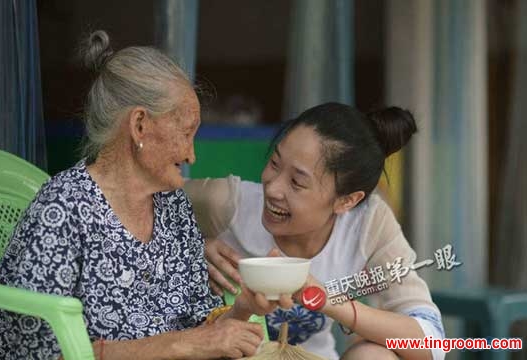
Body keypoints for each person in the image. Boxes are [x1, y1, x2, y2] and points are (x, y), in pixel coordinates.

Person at [0, 30, 292, 360]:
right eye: (186, 133)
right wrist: (182, 344)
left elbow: (204, 332)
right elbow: (41, 354)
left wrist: (244, 306)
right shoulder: (62, 210)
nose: (191, 155)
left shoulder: (172, 206)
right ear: (140, 125)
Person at [185, 103, 445, 360]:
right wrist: (190, 244)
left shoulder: (368, 224)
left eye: (297, 182)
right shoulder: (225, 204)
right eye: (275, 163)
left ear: (347, 201)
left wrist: (324, 299)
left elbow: (432, 343)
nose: (273, 188)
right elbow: (149, 202)